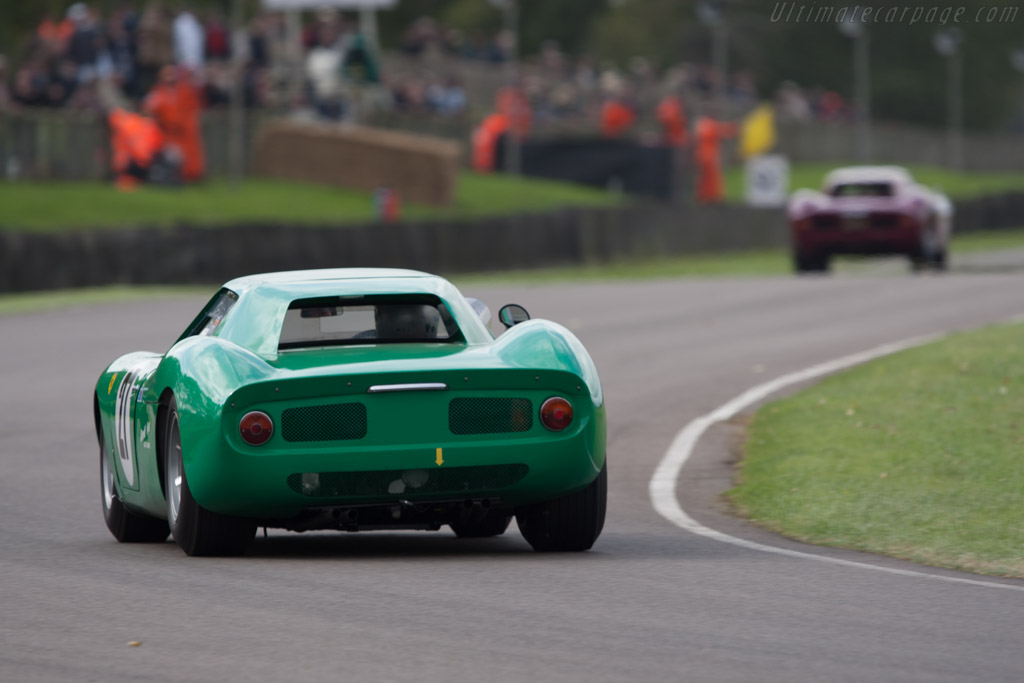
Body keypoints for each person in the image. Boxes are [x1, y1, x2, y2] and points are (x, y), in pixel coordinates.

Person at [144, 65, 205, 182]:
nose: (169, 77)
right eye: (166, 75)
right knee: (171, 156)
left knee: (189, 155)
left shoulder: (183, 91)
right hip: (166, 133)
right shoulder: (157, 92)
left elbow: (192, 108)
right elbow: (148, 108)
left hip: (183, 131)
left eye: (171, 74)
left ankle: (190, 176)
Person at [694, 114, 737, 204]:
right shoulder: (711, 125)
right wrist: (734, 127)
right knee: (713, 177)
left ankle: (703, 196)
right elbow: (725, 131)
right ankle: (713, 197)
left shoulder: (701, 124)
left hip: (701, 155)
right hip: (710, 155)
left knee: (704, 177)